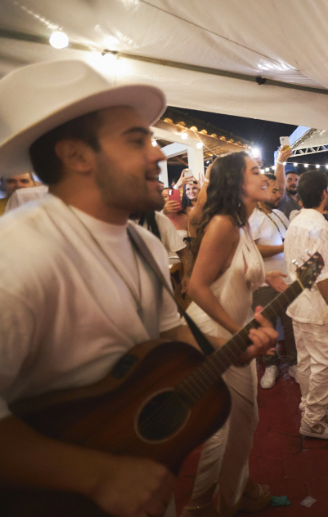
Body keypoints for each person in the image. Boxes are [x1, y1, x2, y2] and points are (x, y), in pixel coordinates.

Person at [0, 60, 277, 517]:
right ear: (76, 156)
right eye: (136, 140)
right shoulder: (19, 256)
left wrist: (230, 348)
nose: (157, 154)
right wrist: (99, 475)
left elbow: (171, 338)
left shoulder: (143, 243)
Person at [184, 152, 287, 517]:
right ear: (235, 182)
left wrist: (266, 278)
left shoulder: (243, 224)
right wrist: (237, 333)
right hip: (214, 333)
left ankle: (233, 494)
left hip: (234, 332)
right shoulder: (223, 224)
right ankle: (198, 505)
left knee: (246, 418)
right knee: (221, 427)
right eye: (255, 171)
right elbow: (197, 287)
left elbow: (236, 269)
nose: (265, 177)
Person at [284, 170, 328, 439]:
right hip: (316, 305)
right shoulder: (320, 225)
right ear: (324, 194)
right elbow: (321, 273)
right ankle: (314, 420)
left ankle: (310, 405)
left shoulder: (296, 221)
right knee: (324, 362)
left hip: (297, 303)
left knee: (307, 360)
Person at [249, 174, 297, 390]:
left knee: (291, 323)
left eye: (279, 190)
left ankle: (295, 363)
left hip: (286, 278)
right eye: (274, 190)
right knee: (265, 324)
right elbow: (251, 249)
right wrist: (282, 248)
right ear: (261, 190)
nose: (279, 194)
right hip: (263, 282)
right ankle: (270, 365)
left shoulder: (279, 214)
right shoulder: (251, 217)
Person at [274, 148, 298, 218]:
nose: (294, 182)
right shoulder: (283, 197)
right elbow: (280, 187)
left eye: (296, 180)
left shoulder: (302, 198)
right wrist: (280, 162)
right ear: (285, 182)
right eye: (289, 180)